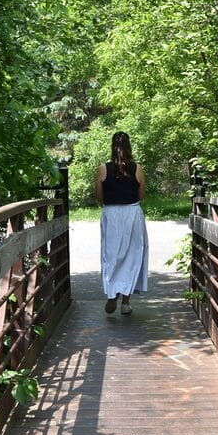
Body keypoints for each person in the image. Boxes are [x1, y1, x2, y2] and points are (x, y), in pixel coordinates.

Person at [94, 132, 149, 315]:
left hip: (111, 214)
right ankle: (126, 302)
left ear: (112, 147)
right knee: (132, 256)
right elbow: (141, 196)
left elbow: (100, 197)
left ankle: (111, 295)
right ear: (129, 146)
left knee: (110, 255)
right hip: (132, 214)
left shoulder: (103, 169)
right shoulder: (137, 169)